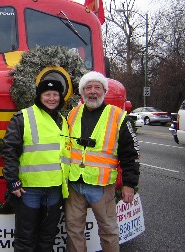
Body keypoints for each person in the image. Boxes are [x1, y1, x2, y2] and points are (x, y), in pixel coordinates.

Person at [65, 71, 140, 252]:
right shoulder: (72, 114)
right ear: (82, 92)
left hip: (102, 186)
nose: (92, 92)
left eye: (97, 88)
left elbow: (131, 154)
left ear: (104, 91)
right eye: (88, 88)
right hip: (75, 184)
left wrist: (129, 184)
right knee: (74, 231)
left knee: (108, 231)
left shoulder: (119, 116)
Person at [2, 79, 71, 252]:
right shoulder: (23, 117)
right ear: (39, 96)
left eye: (55, 94)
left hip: (55, 188)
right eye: (47, 94)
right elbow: (10, 150)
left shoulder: (63, 121)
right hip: (29, 189)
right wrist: (12, 181)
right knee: (25, 238)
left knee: (47, 237)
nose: (51, 98)